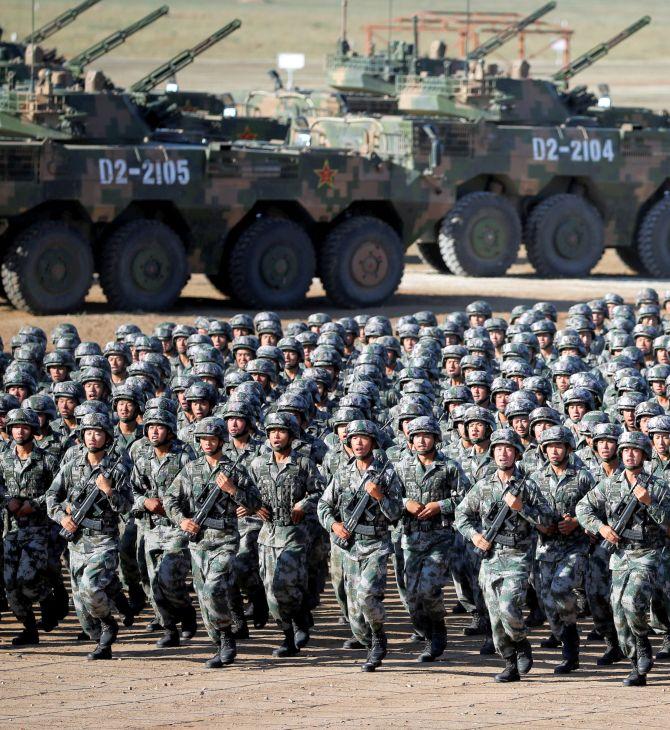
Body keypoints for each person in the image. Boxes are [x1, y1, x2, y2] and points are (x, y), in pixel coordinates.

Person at [455, 428, 552, 682]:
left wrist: (522, 508)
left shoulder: (527, 486)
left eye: (508, 449)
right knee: (496, 619)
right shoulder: (484, 486)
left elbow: (546, 522)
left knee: (509, 607)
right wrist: (476, 537)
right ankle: (509, 662)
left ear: (517, 454)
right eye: (498, 449)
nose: (503, 453)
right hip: (490, 558)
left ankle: (521, 642)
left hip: (518, 555)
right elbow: (461, 515)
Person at [164, 417, 260, 668]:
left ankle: (227, 637)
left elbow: (254, 504)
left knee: (214, 589)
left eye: (212, 439)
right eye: (203, 439)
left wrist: (232, 490)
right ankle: (218, 643)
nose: (207, 443)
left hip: (226, 541)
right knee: (204, 597)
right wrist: (182, 521)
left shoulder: (235, 471)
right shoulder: (192, 470)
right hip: (198, 543)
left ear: (221, 441)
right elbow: (170, 499)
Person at [577, 431, 670, 686]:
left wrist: (650, 502)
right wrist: (601, 528)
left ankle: (641, 641)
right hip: (619, 556)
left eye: (635, 450)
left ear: (644, 455)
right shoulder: (610, 484)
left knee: (632, 601)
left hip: (648, 554)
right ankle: (636, 664)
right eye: (626, 450)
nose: (629, 454)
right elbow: (583, 508)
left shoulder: (659, 486)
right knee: (618, 610)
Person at [318, 419, 402, 672]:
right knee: (353, 610)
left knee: (366, 596)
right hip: (348, 547)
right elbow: (323, 506)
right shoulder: (343, 473)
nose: (358, 443)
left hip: (376, 545)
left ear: (373, 442)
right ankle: (369, 643)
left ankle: (378, 638)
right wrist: (334, 525)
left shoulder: (386, 474)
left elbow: (396, 513)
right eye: (354, 438)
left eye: (364, 438)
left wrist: (379, 497)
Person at [46, 413, 132, 660]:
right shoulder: (72, 466)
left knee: (91, 588)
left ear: (107, 437)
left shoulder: (117, 469)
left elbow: (126, 506)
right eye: (88, 432)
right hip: (77, 541)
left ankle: (108, 624)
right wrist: (62, 516)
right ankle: (103, 635)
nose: (92, 437)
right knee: (82, 608)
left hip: (104, 540)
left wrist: (109, 491)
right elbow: (52, 496)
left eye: (98, 432)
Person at [248, 412, 323, 657]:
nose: (276, 436)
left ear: (291, 435)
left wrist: (304, 504)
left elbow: (320, 493)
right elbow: (246, 493)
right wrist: (253, 505)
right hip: (267, 535)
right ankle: (287, 634)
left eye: (281, 431)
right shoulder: (258, 464)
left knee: (289, 585)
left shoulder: (303, 463)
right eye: (272, 432)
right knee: (270, 588)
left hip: (294, 534)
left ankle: (299, 622)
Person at [396, 416, 468, 662]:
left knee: (429, 589)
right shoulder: (401, 467)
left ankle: (437, 633)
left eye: (426, 435)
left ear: (436, 439)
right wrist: (406, 502)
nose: (421, 440)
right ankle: (426, 632)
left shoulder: (449, 466)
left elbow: (467, 498)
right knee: (411, 596)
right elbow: (389, 496)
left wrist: (441, 505)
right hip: (411, 538)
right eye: (416, 436)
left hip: (440, 538)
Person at [0, 408, 60, 645]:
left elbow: (59, 491)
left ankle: (49, 597)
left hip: (39, 531)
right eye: (15, 426)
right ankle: (29, 629)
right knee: (9, 584)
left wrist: (34, 505)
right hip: (11, 530)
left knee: (26, 578)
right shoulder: (3, 458)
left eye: (24, 427)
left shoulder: (47, 459)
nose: (19, 431)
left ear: (33, 430)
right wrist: (8, 501)